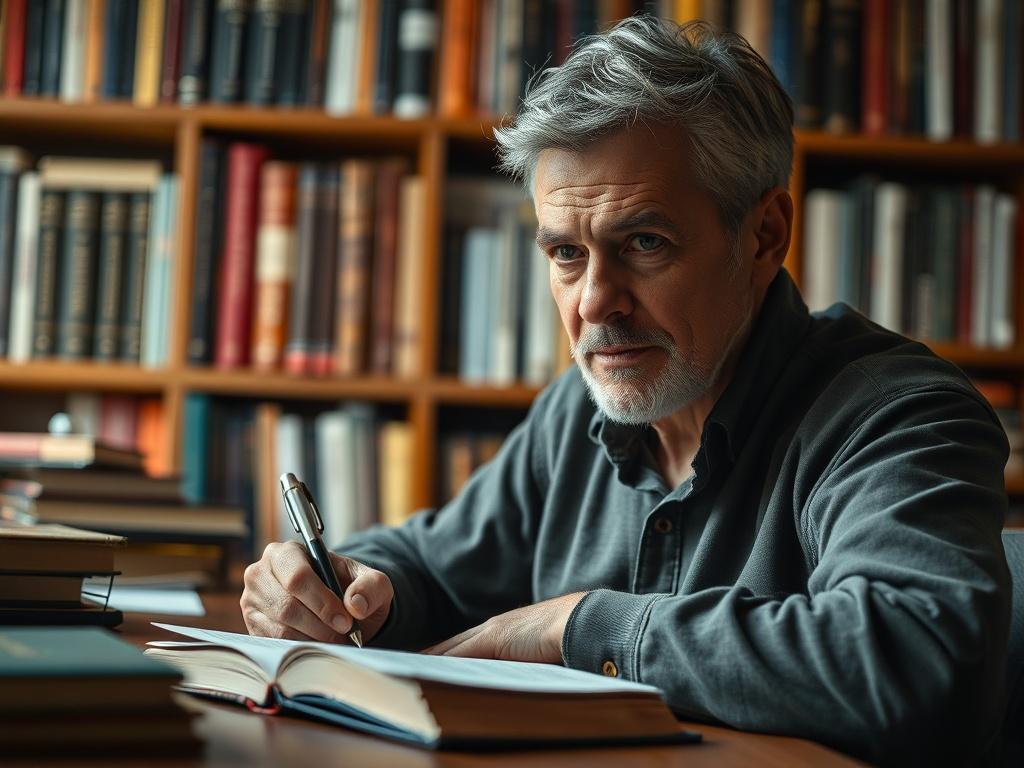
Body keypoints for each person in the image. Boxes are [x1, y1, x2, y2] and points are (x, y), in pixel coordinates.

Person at [240, 16, 1011, 765]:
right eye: (567, 254)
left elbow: (916, 663)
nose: (593, 303)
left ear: (765, 235)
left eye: (644, 243)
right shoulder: (575, 412)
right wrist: (339, 588)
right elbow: (434, 567)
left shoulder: (897, 414)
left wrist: (578, 628)